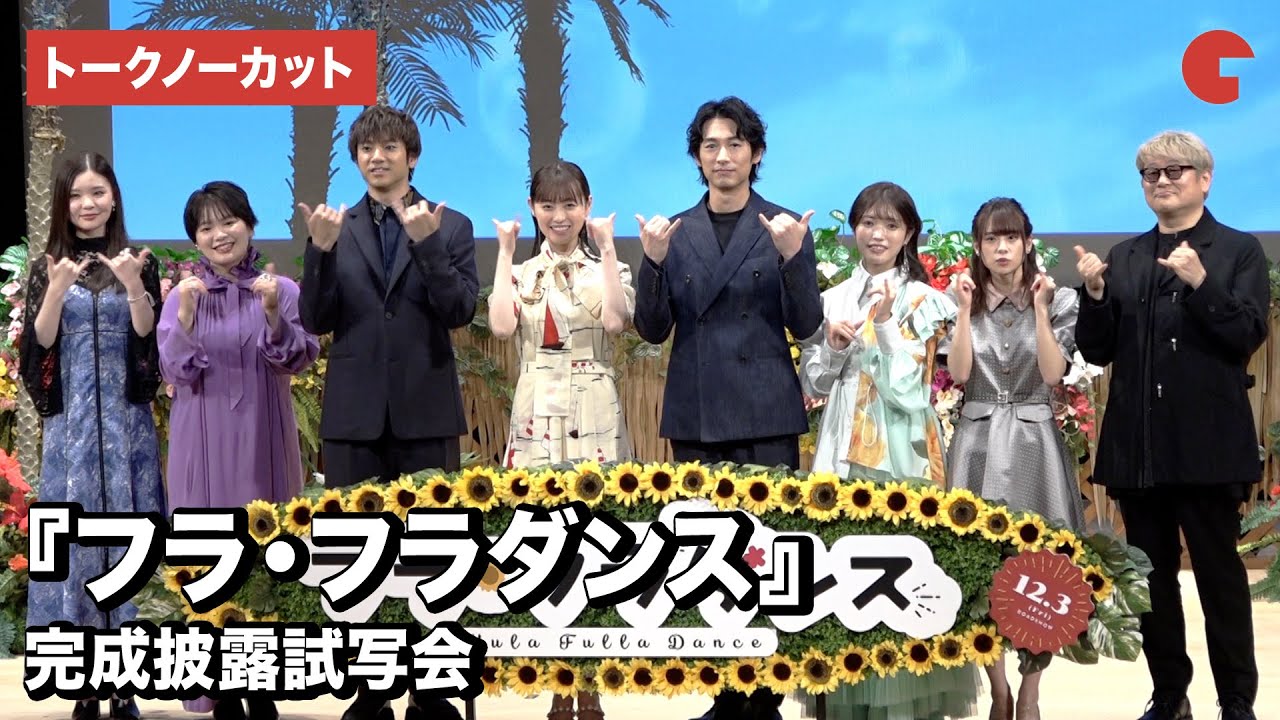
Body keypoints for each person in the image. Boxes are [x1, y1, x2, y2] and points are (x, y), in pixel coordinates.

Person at [632, 96, 822, 720]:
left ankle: (764, 696)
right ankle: (723, 692)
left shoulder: (784, 226)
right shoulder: (673, 232)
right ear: (696, 156)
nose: (723, 156)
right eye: (710, 145)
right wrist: (651, 263)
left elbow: (807, 323)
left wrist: (793, 259)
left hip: (766, 410)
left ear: (755, 153)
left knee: (767, 557)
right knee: (708, 557)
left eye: (735, 144)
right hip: (699, 411)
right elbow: (651, 329)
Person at [1074, 130, 1263, 720]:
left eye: (1175, 171)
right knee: (1151, 583)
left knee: (1219, 578)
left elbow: (1247, 334)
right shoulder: (1126, 255)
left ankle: (1236, 700)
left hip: (1208, 447)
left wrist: (1202, 283)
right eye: (1150, 174)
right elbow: (1097, 350)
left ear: (1205, 179)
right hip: (1140, 448)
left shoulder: (1237, 251)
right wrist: (1096, 295)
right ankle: (1169, 695)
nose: (1161, 181)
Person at [298, 104, 477, 720]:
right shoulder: (334, 227)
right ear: (356, 159)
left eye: (390, 148)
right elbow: (315, 319)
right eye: (366, 149)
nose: (377, 157)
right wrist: (319, 254)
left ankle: (432, 689)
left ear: (412, 156)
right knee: (356, 555)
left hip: (426, 408)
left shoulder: (450, 224)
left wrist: (427, 246)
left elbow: (459, 311)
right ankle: (371, 690)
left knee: (435, 552)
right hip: (355, 414)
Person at [798, 181, 974, 720]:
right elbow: (814, 381)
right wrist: (832, 349)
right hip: (840, 440)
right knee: (843, 567)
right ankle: (845, 697)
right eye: (868, 223)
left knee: (900, 566)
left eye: (891, 225)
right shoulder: (832, 297)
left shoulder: (926, 299)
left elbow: (911, 390)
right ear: (854, 228)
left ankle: (906, 700)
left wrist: (883, 327)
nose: (878, 234)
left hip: (902, 448)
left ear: (908, 234)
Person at [157, 181, 319, 720]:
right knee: (208, 555)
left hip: (263, 438)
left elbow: (298, 358)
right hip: (199, 441)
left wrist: (272, 313)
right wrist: (184, 317)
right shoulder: (182, 295)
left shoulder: (283, 289)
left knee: (265, 551)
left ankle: (262, 683)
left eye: (228, 222)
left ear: (249, 225)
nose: (219, 234)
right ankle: (220, 687)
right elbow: (173, 370)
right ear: (195, 240)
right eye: (206, 227)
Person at [20, 152, 164, 720]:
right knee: (76, 542)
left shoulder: (137, 260)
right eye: (77, 194)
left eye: (98, 192)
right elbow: (40, 342)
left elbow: (147, 338)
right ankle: (83, 681)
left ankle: (126, 684)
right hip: (71, 429)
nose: (88, 204)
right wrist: (55, 290)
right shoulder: (48, 264)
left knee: (128, 539)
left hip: (127, 428)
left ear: (114, 197)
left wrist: (132, 286)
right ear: (63, 202)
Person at [489, 160, 633, 719]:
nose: (559, 215)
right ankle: (555, 681)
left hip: (593, 399)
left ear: (587, 207)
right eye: (548, 205)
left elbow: (616, 322)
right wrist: (504, 253)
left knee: (595, 538)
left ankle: (592, 681)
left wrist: (610, 248)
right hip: (536, 405)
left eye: (570, 204)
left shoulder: (606, 268)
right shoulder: (522, 273)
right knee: (541, 538)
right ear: (533, 209)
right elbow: (502, 327)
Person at [944, 197, 1084, 720]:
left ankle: (1030, 688)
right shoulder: (964, 299)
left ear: (1028, 243)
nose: (1001, 248)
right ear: (978, 247)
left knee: (1044, 565)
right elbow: (960, 375)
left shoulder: (1058, 298)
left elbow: (1052, 374)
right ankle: (998, 686)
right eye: (991, 239)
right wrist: (963, 312)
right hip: (977, 440)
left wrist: (1041, 312)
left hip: (1034, 439)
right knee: (978, 564)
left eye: (1011, 238)